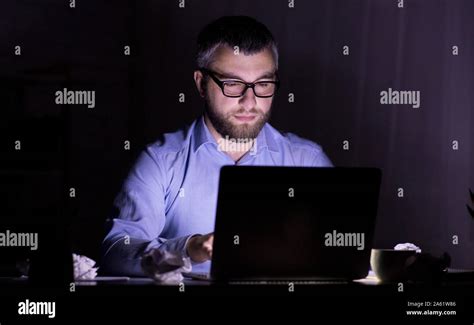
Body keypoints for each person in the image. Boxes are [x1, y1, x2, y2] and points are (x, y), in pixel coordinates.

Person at [101, 15, 333, 276]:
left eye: (263, 84)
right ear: (201, 84)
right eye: (232, 84)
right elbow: (116, 250)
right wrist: (188, 248)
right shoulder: (161, 160)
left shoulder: (308, 161)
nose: (249, 101)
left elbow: (339, 249)